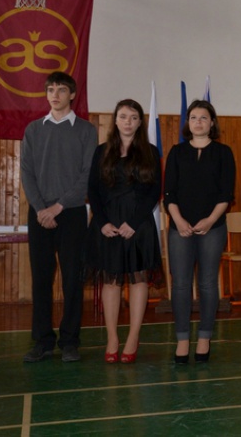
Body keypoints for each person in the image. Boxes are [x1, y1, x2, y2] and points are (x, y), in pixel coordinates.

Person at [20, 71, 97, 363]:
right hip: (39, 214)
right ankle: (42, 341)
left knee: (73, 280)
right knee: (41, 279)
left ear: (72, 94)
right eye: (50, 89)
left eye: (61, 89)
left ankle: (70, 341)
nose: (55, 94)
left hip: (72, 213)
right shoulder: (33, 130)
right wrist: (41, 208)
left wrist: (59, 207)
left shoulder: (86, 130)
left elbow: (87, 175)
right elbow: (27, 172)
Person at [85, 99, 163, 364]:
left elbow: (154, 191)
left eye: (133, 117)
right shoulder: (102, 151)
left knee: (138, 279)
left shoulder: (150, 152)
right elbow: (93, 189)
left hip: (138, 225)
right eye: (123, 116)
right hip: (108, 224)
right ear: (115, 120)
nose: (128, 121)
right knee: (111, 280)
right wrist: (102, 222)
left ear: (140, 122)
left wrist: (135, 222)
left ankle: (133, 337)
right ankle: (112, 338)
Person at [164, 100, 236, 364]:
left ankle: (205, 337)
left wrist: (210, 220)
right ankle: (183, 339)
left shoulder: (223, 153)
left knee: (207, 283)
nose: (198, 122)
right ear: (188, 123)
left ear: (212, 123)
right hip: (179, 228)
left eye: (203, 117)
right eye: (193, 117)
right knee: (181, 284)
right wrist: (179, 220)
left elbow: (226, 193)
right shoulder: (176, 152)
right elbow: (169, 193)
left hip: (213, 227)